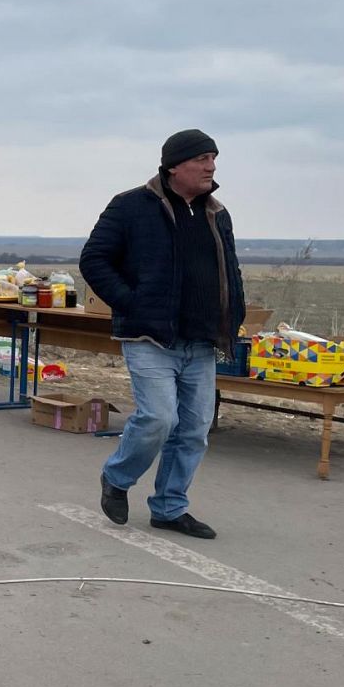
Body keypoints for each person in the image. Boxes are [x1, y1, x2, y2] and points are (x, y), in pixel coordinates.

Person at [80, 129, 245, 540]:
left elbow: (230, 271)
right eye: (202, 159)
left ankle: (170, 508)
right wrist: (131, 302)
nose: (211, 167)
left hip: (201, 340)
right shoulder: (131, 206)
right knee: (158, 417)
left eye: (214, 158)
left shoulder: (217, 213)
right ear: (174, 165)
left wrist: (233, 318)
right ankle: (117, 478)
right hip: (151, 337)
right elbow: (94, 259)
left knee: (193, 429)